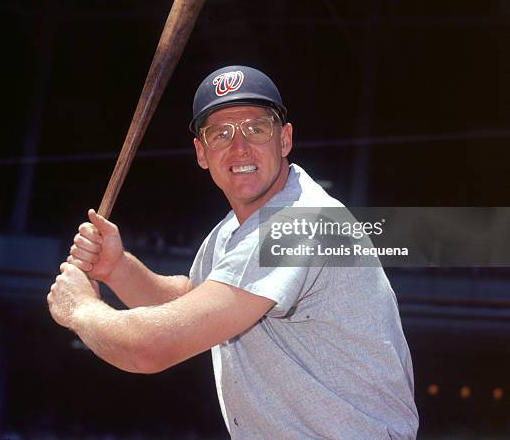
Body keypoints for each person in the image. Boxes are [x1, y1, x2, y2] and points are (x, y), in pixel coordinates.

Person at [47, 65, 419, 439]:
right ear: (202, 153)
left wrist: (79, 308)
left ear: (285, 139)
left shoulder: (300, 222)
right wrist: (118, 269)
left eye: (256, 129)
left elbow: (148, 349)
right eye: (221, 134)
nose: (240, 147)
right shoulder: (234, 231)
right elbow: (193, 305)